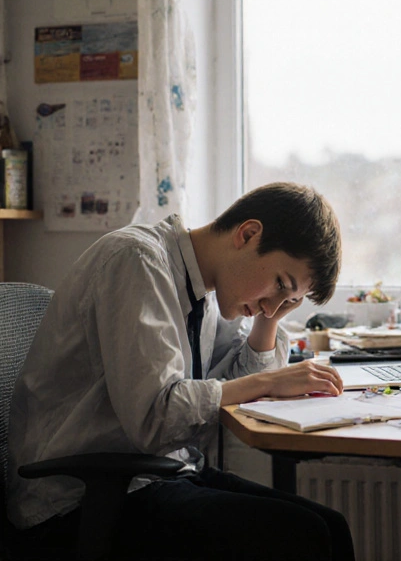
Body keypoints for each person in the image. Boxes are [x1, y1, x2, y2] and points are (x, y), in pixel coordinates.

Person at [7, 182, 355, 561]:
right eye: (279, 285)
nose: (272, 305)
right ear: (248, 234)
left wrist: (272, 316)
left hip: (156, 475)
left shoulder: (204, 289)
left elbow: (238, 377)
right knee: (301, 536)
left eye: (289, 300)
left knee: (330, 526)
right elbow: (156, 418)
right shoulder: (136, 262)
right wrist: (270, 380)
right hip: (78, 504)